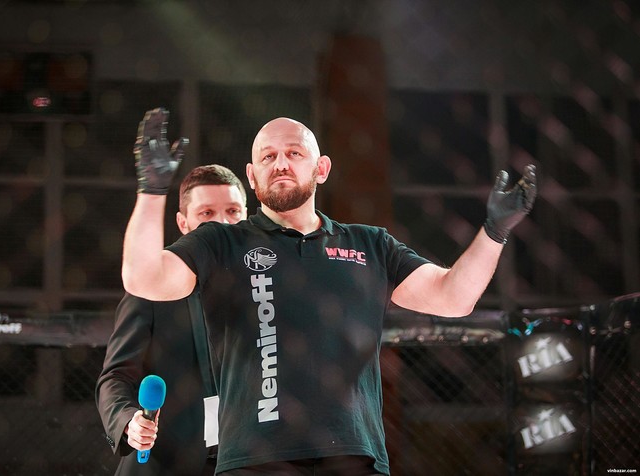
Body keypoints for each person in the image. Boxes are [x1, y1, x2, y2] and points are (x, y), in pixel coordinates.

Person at [121, 108, 537, 475]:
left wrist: (494, 232)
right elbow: (145, 279)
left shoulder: (370, 245)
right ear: (251, 175)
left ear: (321, 169)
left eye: (294, 153)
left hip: (354, 457)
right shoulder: (221, 243)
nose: (280, 164)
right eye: (268, 156)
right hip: (254, 459)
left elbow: (453, 298)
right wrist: (151, 190)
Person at [96, 162, 248, 475]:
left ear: (247, 216)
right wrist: (129, 422)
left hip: (243, 461)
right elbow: (116, 377)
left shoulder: (266, 287)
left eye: (233, 211)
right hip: (164, 463)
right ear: (183, 223)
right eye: (207, 213)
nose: (222, 224)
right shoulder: (152, 287)